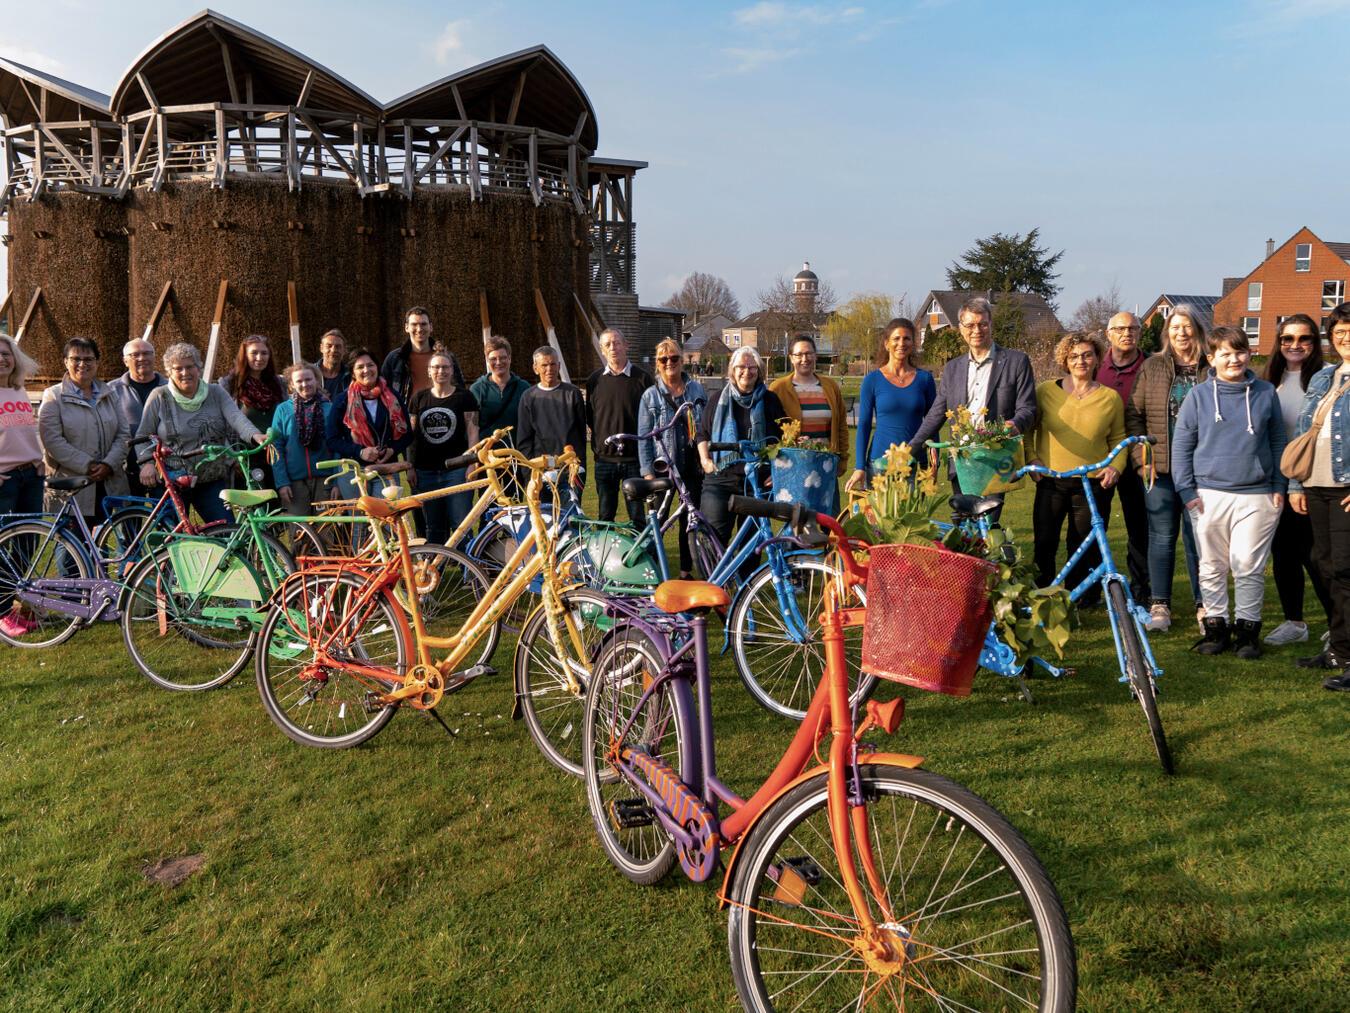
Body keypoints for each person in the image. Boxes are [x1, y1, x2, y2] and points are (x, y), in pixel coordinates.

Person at [1172, 326, 1286, 659]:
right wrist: (1186, 490)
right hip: (1207, 494)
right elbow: (1182, 446)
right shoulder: (1199, 396)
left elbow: (1277, 440)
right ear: (1212, 358)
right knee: (1211, 564)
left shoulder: (1265, 393)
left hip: (1257, 494)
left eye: (1239, 351)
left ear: (1249, 353)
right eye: (1225, 353)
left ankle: (1248, 632)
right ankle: (1216, 628)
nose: (1233, 359)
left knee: (1248, 564)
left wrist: (1279, 484)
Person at [910, 297, 1037, 521]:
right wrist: (910, 448)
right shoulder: (952, 368)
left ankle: (990, 555)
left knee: (987, 524)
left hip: (995, 460)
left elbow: (1028, 408)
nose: (976, 330)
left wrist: (1015, 424)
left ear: (991, 325)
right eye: (970, 325)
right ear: (961, 329)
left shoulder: (1016, 362)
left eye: (982, 324)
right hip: (961, 461)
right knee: (964, 528)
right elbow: (937, 414)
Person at [1127, 304, 1210, 633]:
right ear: (1166, 333)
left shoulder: (1210, 367)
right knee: (1161, 538)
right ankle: (1160, 604)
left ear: (1198, 330)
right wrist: (1140, 457)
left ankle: (1205, 604)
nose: (1181, 333)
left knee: (1198, 539)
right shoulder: (1153, 366)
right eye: (1175, 327)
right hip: (1159, 469)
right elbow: (1134, 415)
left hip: (1202, 471)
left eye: (1187, 327)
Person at [1026, 334, 1125, 606]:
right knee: (1045, 542)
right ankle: (1040, 597)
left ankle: (1081, 598)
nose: (1081, 360)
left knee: (1083, 544)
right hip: (1052, 480)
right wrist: (1033, 458)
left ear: (1097, 358)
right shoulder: (1046, 391)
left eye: (1087, 354)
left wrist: (1116, 466)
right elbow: (1028, 431)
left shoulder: (1110, 398)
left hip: (1092, 483)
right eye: (1074, 356)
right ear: (1065, 360)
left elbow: (1118, 438)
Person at [1288, 302, 1350, 690]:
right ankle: (1339, 649)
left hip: (1345, 488)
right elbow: (1301, 430)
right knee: (1324, 564)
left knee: (1346, 570)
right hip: (1317, 484)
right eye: (1339, 330)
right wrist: (1297, 484)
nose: (1344, 337)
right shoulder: (1326, 377)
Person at [135, 343, 265, 525]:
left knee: (226, 532)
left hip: (209, 479)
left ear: (198, 368)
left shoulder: (215, 392)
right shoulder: (159, 396)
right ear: (169, 372)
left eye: (190, 366)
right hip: (172, 481)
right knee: (173, 539)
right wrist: (147, 464)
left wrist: (255, 436)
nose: (184, 372)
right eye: (178, 368)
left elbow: (237, 418)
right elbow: (143, 435)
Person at [1262, 314, 1332, 647]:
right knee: (1284, 553)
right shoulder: (1268, 379)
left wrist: (1301, 483)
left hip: (1310, 479)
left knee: (1316, 556)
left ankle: (1338, 623)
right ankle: (1295, 622)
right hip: (1275, 482)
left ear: (1315, 343)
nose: (1295, 345)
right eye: (1287, 339)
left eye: (1304, 339)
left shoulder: (1324, 379)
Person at [696, 346, 784, 552]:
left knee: (751, 544)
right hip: (720, 479)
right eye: (741, 367)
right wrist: (705, 460)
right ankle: (715, 583)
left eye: (752, 367)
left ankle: (747, 584)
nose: (746, 371)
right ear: (732, 371)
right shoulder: (718, 399)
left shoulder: (770, 400)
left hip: (756, 483)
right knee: (713, 538)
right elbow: (703, 434)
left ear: (759, 371)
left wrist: (776, 470)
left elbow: (782, 440)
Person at [38, 338, 129, 523]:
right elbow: (53, 441)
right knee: (70, 547)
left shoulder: (109, 393)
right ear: (65, 361)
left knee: (99, 546)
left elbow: (123, 434)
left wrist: (109, 464)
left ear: (97, 362)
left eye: (88, 359)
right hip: (72, 486)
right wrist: (89, 465)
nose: (82, 364)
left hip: (108, 483)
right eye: (75, 358)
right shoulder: (53, 396)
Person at [638, 338, 707, 578]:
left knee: (689, 521)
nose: (670, 363)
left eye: (674, 358)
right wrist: (647, 473)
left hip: (692, 467)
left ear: (682, 359)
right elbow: (644, 437)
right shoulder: (650, 396)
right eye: (664, 359)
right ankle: (652, 572)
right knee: (658, 522)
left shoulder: (696, 390)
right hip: (663, 469)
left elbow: (705, 427)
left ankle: (686, 572)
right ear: (657, 363)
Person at [1096, 312, 1151, 604]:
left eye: (1132, 328)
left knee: (1139, 527)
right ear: (1109, 334)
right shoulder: (1095, 366)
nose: (1126, 333)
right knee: (1095, 525)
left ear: (1139, 333)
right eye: (1119, 329)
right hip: (1101, 460)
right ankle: (1091, 590)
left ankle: (1142, 589)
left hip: (1138, 460)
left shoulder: (1152, 366)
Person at [846, 318, 937, 493]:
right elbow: (864, 425)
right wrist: (859, 467)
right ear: (887, 344)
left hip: (916, 463)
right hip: (880, 463)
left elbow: (933, 424)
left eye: (907, 338)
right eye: (896, 338)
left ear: (913, 343)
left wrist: (935, 463)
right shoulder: (872, 380)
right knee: (880, 519)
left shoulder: (925, 379)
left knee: (914, 519)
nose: (901, 343)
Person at [770, 335, 849, 513]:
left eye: (808, 353)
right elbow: (770, 430)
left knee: (830, 521)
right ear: (791, 357)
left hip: (826, 466)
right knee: (797, 526)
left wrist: (842, 458)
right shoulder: (778, 388)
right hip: (794, 468)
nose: (804, 359)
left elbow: (841, 426)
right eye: (799, 355)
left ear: (815, 355)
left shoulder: (830, 387)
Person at [409, 349, 480, 544]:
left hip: (457, 471)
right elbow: (411, 436)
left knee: (462, 524)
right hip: (426, 472)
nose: (441, 371)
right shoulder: (419, 399)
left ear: (452, 370)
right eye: (436, 367)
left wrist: (472, 463)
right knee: (434, 525)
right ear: (429, 371)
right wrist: (410, 466)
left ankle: (469, 573)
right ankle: (435, 571)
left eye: (445, 367)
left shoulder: (465, 397)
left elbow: (473, 431)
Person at [584, 328, 653, 525]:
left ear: (626, 345)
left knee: (638, 517)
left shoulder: (642, 379)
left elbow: (650, 418)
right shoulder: (595, 381)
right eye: (608, 345)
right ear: (602, 350)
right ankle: (607, 556)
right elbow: (592, 417)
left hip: (635, 460)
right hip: (605, 461)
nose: (613, 348)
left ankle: (641, 555)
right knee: (605, 516)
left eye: (616, 343)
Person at [327, 349, 413, 491]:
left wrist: (393, 450)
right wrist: (360, 451)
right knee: (359, 513)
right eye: (360, 367)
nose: (366, 370)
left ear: (377, 367)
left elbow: (408, 434)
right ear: (353, 373)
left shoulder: (393, 397)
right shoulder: (343, 401)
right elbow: (332, 439)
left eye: (370, 365)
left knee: (386, 512)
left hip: (386, 469)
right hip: (353, 471)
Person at [515, 346, 586, 485]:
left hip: (570, 468)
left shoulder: (572, 393)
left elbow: (580, 434)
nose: (549, 369)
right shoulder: (528, 397)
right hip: (541, 469)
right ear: (535, 368)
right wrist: (530, 473)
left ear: (559, 366)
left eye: (553, 364)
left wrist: (580, 465)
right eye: (544, 365)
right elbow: (524, 440)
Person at [107, 338, 168, 499]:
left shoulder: (169, 388)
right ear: (125, 361)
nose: (142, 358)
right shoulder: (111, 390)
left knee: (167, 519)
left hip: (164, 469)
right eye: (135, 355)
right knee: (129, 518)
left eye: (147, 353)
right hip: (127, 469)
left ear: (155, 357)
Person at [271, 362, 334, 516]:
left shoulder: (329, 408)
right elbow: (275, 448)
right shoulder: (283, 410)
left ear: (316, 381)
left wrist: (336, 481)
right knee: (299, 532)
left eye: (308, 379)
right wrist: (282, 482)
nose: (305, 384)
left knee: (326, 531)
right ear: (292, 385)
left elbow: (336, 445)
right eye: (299, 381)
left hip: (325, 480)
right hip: (294, 483)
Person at [381, 306, 465, 402]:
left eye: (423, 324)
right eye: (414, 324)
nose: (419, 329)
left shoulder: (446, 358)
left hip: (441, 410)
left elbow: (460, 390)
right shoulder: (395, 359)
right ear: (406, 327)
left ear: (431, 327)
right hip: (405, 413)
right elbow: (383, 389)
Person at [0, 335, 44, 519]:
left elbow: (25, 433)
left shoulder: (20, 391)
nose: (2, 359)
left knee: (29, 540)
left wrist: (39, 462)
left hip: (31, 475)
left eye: (6, 354)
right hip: (5, 478)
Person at [220, 335, 286, 433]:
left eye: (264, 353)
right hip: (243, 447)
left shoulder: (278, 383)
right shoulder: (230, 384)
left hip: (276, 446)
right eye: (254, 353)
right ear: (245, 355)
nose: (259, 358)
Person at [471, 336, 530, 441]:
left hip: (518, 452)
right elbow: (472, 427)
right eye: (493, 359)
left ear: (509, 358)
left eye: (502, 357)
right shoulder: (477, 389)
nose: (498, 362)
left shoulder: (524, 387)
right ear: (487, 361)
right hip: (487, 453)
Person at [318, 329, 350, 401]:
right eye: (329, 346)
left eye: (338, 346)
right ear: (321, 348)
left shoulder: (352, 375)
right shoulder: (310, 374)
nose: (333, 350)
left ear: (344, 350)